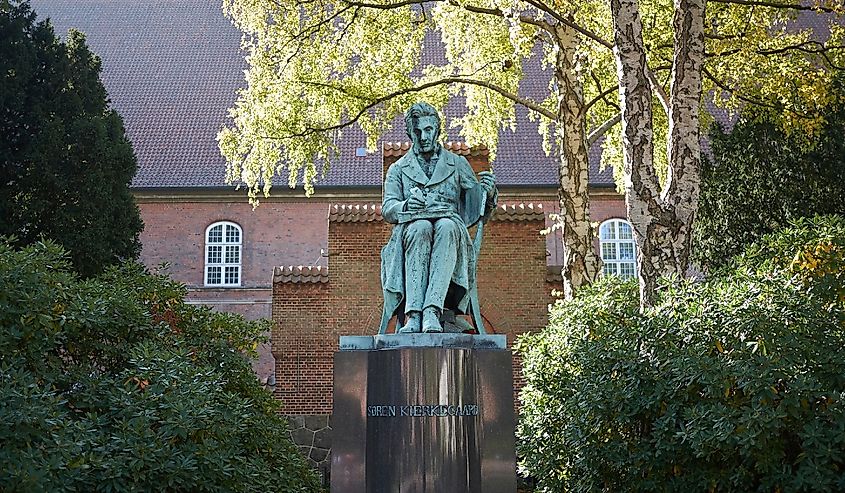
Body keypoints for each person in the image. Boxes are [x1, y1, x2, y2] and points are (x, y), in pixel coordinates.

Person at [380, 102, 497, 334]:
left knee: (446, 226)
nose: (423, 136)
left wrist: (489, 193)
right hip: (410, 233)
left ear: (437, 130)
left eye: (428, 130)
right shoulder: (398, 168)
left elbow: (475, 205)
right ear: (409, 133)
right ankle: (413, 315)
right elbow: (388, 208)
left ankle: (432, 310)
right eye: (417, 131)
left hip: (450, 231)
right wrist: (405, 205)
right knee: (420, 227)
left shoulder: (457, 164)